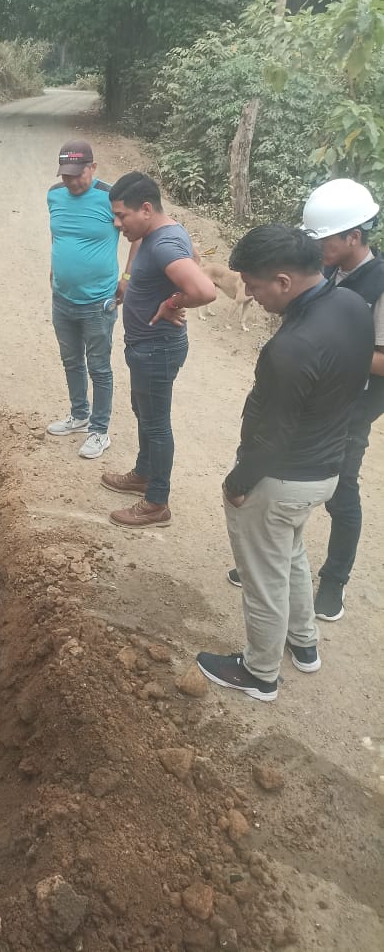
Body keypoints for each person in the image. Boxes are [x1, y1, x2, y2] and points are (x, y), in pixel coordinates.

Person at [197, 226, 374, 701]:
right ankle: (304, 642)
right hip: (326, 468)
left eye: (253, 286)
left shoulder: (292, 347)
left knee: (263, 579)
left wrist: (238, 482)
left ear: (283, 281)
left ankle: (259, 673)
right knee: (291, 553)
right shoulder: (352, 306)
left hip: (280, 479)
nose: (249, 294)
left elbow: (273, 435)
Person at [102, 172, 216, 528]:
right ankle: (143, 473)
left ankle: (156, 502)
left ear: (146, 209)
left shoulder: (163, 244)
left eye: (122, 215)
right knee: (144, 411)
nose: (117, 223)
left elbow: (205, 290)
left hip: (156, 349)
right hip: (149, 347)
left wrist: (171, 302)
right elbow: (193, 256)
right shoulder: (163, 231)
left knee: (156, 424)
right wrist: (130, 280)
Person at [302, 178, 383, 620]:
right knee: (292, 476)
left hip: (353, 408)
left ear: (354, 236)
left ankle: (334, 581)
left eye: (326, 240)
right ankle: (282, 560)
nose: (319, 248)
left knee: (340, 490)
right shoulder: (331, 271)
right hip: (318, 394)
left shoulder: (380, 284)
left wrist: (327, 347)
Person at [46, 140, 122, 459]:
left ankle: (99, 430)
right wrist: (54, 268)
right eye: (66, 175)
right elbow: (57, 233)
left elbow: (141, 234)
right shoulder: (54, 195)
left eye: (78, 175)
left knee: (99, 367)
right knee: (71, 360)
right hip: (62, 298)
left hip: (98, 303)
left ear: (93, 167)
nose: (72, 181)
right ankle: (79, 415)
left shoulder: (112, 197)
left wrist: (128, 277)